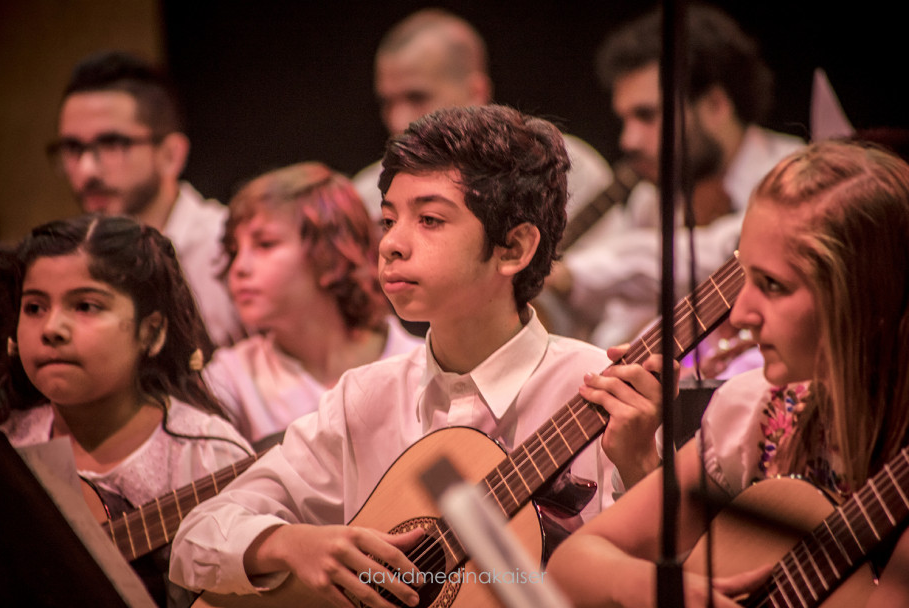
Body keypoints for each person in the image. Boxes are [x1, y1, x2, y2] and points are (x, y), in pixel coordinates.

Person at [169, 104, 667, 606]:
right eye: (388, 219)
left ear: (513, 249)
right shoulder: (363, 398)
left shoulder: (598, 391)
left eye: (429, 220)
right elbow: (196, 539)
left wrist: (642, 466)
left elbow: (655, 582)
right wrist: (288, 543)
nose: (390, 245)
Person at [546, 139, 909, 606]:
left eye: (773, 286)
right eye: (747, 278)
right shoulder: (760, 412)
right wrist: (666, 591)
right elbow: (575, 561)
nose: (740, 313)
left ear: (868, 298)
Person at [0, 214, 253, 607]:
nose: (52, 328)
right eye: (34, 307)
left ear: (151, 332)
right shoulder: (10, 447)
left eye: (85, 305)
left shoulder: (208, 457)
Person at [546, 3, 805, 351]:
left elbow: (723, 253)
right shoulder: (651, 197)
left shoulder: (796, 173)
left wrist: (572, 274)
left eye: (647, 116)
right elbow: (621, 314)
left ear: (715, 104)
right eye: (625, 119)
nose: (628, 141)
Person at [202, 162, 423, 444]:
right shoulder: (229, 379)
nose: (239, 268)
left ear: (330, 254)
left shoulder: (424, 364)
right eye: (234, 250)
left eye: (265, 244)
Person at [47, 50, 243, 347]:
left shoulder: (230, 247)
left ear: (171, 155)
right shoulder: (65, 261)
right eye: (73, 148)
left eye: (112, 143)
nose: (87, 169)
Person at [352, 8, 612, 222]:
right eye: (387, 102)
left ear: (477, 93)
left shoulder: (566, 168)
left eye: (417, 97)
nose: (398, 121)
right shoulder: (364, 197)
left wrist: (569, 277)